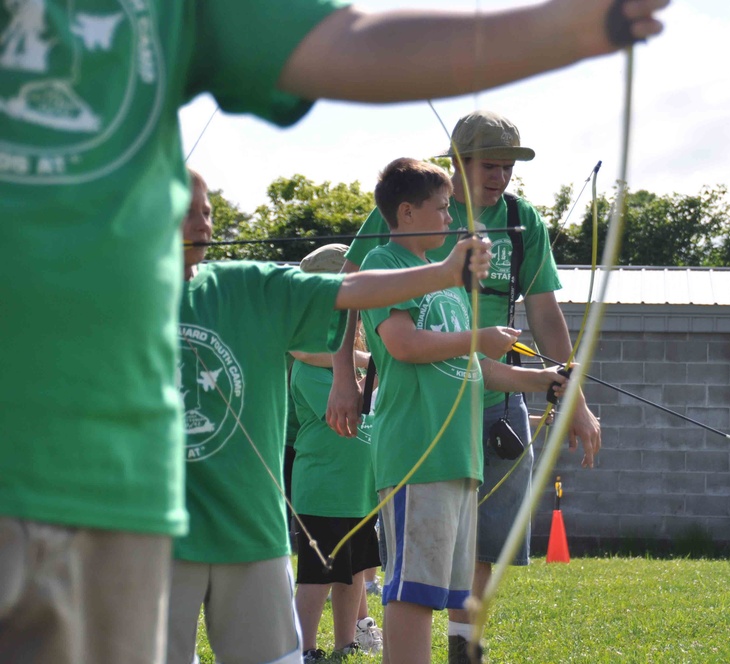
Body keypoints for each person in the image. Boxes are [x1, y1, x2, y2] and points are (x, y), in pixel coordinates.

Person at [0, 2, 670, 661]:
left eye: (206, 210)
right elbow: (373, 311)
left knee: (470, 551)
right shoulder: (385, 248)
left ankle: (466, 646)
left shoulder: (252, 283)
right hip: (391, 438)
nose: (499, 176)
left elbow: (346, 40)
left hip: (121, 496)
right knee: (403, 582)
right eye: (478, 170)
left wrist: (578, 24)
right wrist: (385, 340)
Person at [167, 170, 491, 664]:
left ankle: (346, 638)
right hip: (157, 531)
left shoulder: (247, 284)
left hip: (251, 532)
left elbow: (350, 289)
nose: (203, 223)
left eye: (209, 211)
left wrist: (445, 274)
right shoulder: (116, 299)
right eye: (187, 210)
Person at [331, 110, 602, 660]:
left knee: (478, 542)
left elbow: (540, 320)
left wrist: (561, 387)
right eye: (489, 166)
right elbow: (352, 295)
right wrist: (344, 374)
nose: (500, 178)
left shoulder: (517, 225)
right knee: (416, 572)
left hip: (484, 415)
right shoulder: (409, 218)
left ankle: (464, 645)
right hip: (421, 418)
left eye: (508, 167)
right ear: (455, 167)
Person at [289, 243, 383, 661]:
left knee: (355, 572)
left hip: (360, 486)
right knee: (317, 575)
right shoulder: (309, 365)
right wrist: (376, 369)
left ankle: (346, 641)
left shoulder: (350, 357)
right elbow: (344, 410)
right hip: (323, 485)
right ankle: (304, 647)